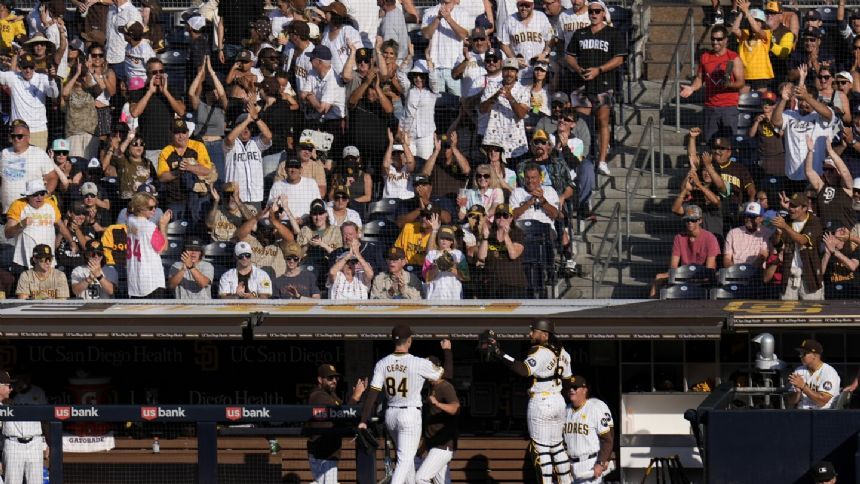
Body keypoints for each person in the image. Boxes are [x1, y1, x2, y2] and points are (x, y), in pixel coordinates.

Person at [358, 325, 452, 484]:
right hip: (409, 414)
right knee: (405, 460)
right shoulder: (418, 362)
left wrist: (363, 419)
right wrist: (447, 351)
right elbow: (448, 374)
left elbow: (372, 394)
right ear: (409, 340)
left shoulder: (382, 363)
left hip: (391, 415)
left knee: (407, 463)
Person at [485, 320, 573, 484]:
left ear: (545, 334)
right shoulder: (564, 352)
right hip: (558, 401)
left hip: (542, 401)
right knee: (557, 447)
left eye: (534, 331)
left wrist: (500, 353)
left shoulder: (541, 351)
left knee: (541, 449)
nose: (530, 334)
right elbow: (567, 382)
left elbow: (523, 369)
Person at [565, 0, 625, 174]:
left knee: (602, 120)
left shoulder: (612, 34)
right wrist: (578, 69)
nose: (593, 14)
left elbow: (620, 58)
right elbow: (569, 56)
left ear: (604, 13)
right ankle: (579, 158)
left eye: (597, 11)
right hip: (581, 84)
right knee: (579, 122)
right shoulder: (580, 33)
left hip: (604, 83)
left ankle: (602, 160)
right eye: (591, 11)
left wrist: (599, 70)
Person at [679, 25, 745, 142]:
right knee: (710, 143)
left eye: (719, 39)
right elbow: (700, 78)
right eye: (713, 39)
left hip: (728, 107)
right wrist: (692, 88)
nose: (715, 42)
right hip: (710, 107)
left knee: (729, 144)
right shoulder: (705, 57)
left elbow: (741, 82)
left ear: (725, 40)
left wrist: (729, 85)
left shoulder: (733, 58)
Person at [306, 364, 368, 484]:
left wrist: (356, 398)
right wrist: (355, 396)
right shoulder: (318, 395)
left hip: (328, 450)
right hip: (322, 451)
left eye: (336, 378)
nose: (334, 381)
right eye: (330, 378)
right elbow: (342, 415)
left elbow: (345, 413)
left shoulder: (331, 395)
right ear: (320, 379)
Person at [649, 205, 720, 298]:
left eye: (693, 220)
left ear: (700, 220)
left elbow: (710, 268)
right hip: (683, 274)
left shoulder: (710, 238)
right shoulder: (679, 237)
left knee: (716, 277)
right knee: (658, 277)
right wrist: (679, 275)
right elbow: (673, 266)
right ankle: (653, 307)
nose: (690, 222)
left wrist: (694, 277)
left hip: (703, 276)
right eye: (687, 220)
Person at [5, 179, 75, 271]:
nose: (39, 197)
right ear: (28, 195)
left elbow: (61, 227)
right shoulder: (18, 205)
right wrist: (21, 224)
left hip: (48, 261)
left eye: (42, 193)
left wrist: (71, 241)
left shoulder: (51, 204)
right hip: (24, 262)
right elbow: (8, 233)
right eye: (35, 194)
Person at [156, 119, 213, 228]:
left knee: (198, 230)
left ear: (188, 133)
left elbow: (207, 170)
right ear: (171, 134)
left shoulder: (198, 146)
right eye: (177, 133)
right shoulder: (166, 151)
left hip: (198, 198)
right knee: (175, 230)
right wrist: (178, 172)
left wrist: (189, 167)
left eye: (183, 132)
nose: (181, 136)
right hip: (175, 199)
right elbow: (162, 177)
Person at [415, 354, 460, 484]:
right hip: (434, 445)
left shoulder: (445, 387)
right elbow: (430, 426)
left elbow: (456, 408)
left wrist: (437, 404)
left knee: (421, 478)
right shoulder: (432, 388)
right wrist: (421, 450)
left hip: (443, 445)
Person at [772, 192, 824, 300]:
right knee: (787, 313)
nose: (791, 209)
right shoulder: (786, 220)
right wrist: (778, 234)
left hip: (810, 276)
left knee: (812, 313)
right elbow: (776, 244)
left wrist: (785, 227)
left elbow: (803, 240)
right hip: (789, 275)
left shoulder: (814, 221)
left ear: (805, 208)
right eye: (790, 205)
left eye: (795, 206)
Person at [0, 55, 59, 150]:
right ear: (20, 67)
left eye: (31, 67)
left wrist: (52, 80)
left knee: (37, 164)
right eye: (25, 67)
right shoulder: (13, 77)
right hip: (17, 131)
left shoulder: (43, 78)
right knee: (17, 163)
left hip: (38, 130)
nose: (28, 70)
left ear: (35, 67)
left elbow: (54, 94)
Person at [0, 369, 49, 484]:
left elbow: (46, 418)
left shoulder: (38, 392)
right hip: (13, 443)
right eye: (9, 385)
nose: (11, 387)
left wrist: (50, 442)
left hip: (34, 442)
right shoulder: (5, 401)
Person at [563, 376, 614, 484]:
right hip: (570, 465)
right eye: (569, 388)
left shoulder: (594, 409)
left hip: (590, 463)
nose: (571, 390)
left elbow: (607, 439)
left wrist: (601, 462)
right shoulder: (565, 411)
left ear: (584, 390)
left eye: (575, 387)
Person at [0, 119, 57, 212]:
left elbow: (52, 177)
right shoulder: (4, 153)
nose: (16, 139)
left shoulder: (38, 153)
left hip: (30, 211)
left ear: (28, 137)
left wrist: (44, 197)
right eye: (13, 136)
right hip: (7, 211)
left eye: (19, 136)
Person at [224, 105, 273, 209]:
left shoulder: (256, 142)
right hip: (234, 197)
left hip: (255, 196)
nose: (246, 130)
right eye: (242, 127)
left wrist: (256, 118)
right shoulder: (231, 144)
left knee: (253, 225)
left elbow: (268, 136)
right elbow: (229, 139)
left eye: (249, 127)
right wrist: (247, 120)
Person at [421, 0, 472, 100]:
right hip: (435, 67)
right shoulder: (429, 12)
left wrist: (449, 19)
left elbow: (463, 35)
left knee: (458, 103)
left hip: (455, 68)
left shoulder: (462, 13)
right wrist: (438, 18)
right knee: (438, 107)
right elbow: (426, 35)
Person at [480, 57, 529, 159]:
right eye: (506, 70)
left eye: (512, 70)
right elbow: (482, 110)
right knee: (494, 173)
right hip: (494, 139)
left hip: (515, 141)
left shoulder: (524, 90)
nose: (509, 73)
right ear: (502, 72)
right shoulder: (491, 87)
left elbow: (522, 114)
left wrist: (510, 97)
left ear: (516, 73)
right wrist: (495, 96)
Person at [476, 203, 528, 298]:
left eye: (505, 215)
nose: (501, 218)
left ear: (511, 218)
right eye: (498, 216)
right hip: (491, 285)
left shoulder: (517, 233)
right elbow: (481, 257)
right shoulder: (489, 233)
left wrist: (506, 235)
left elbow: (513, 254)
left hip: (512, 284)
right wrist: (485, 238)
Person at [126, 191, 171, 298]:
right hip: (151, 281)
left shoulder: (130, 220)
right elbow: (163, 248)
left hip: (135, 279)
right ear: (141, 208)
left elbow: (129, 212)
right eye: (150, 207)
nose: (154, 210)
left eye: (155, 206)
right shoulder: (150, 227)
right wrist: (163, 226)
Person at [806, 139, 855, 231]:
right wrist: (810, 151)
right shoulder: (821, 187)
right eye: (825, 169)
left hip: (845, 235)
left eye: (831, 170)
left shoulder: (847, 188)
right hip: (827, 235)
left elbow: (844, 172)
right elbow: (809, 172)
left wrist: (831, 152)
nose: (827, 173)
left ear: (838, 172)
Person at [730, 2, 773, 93]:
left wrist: (747, 12)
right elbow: (734, 29)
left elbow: (757, 29)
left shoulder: (766, 33)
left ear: (762, 23)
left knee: (761, 102)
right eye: (753, 20)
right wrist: (742, 12)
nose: (754, 22)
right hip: (745, 73)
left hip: (761, 74)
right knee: (743, 100)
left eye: (758, 20)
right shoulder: (745, 34)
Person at [786, 339, 840, 409]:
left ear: (814, 355)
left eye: (803, 353)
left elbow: (822, 401)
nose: (800, 356)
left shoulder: (829, 372)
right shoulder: (799, 371)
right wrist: (797, 393)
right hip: (801, 413)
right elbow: (790, 401)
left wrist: (803, 386)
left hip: (823, 414)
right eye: (800, 353)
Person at [422, 225, 469, 299]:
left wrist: (450, 268)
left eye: (447, 238)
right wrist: (438, 267)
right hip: (434, 296)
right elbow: (426, 278)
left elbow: (465, 277)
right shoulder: (431, 254)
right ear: (437, 239)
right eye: (442, 238)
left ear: (452, 241)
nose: (444, 240)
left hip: (454, 296)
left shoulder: (459, 254)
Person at [723, 202, 772, 268]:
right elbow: (727, 258)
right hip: (735, 272)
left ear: (761, 218)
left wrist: (748, 271)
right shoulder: (733, 233)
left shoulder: (766, 233)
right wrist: (735, 271)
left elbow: (763, 255)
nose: (749, 219)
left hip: (756, 272)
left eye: (752, 217)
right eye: (747, 216)